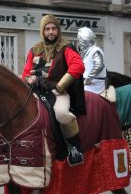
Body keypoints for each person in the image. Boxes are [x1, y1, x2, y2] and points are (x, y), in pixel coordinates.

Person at [22, 14, 86, 165]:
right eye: (47, 29)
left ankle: (74, 149)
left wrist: (60, 85)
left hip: (58, 91)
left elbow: (78, 66)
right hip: (36, 91)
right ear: (42, 31)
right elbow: (25, 72)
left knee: (62, 114)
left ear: (58, 30)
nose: (51, 32)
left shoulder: (66, 47)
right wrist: (28, 79)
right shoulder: (34, 50)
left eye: (53, 29)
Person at [77, 27, 107, 95]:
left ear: (84, 41)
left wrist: (88, 80)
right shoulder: (88, 52)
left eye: (79, 41)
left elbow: (99, 65)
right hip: (89, 84)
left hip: (94, 86)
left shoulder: (95, 50)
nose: (78, 43)